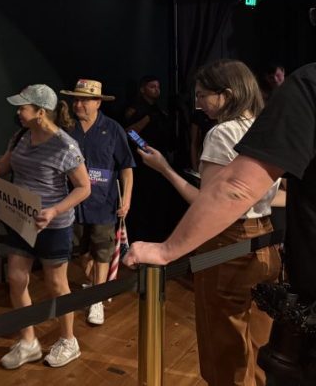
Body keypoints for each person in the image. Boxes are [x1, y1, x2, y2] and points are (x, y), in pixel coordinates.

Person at [124, 62, 316, 384]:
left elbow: (221, 195)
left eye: (203, 96)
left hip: (227, 243)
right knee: (256, 343)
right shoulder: (258, 125)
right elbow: (273, 196)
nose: (198, 105)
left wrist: (165, 171)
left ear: (226, 95)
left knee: (224, 350)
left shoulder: (221, 132)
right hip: (264, 239)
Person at [0, 84, 91, 370]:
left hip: (54, 225)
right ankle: (28, 341)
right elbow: (2, 167)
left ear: (40, 112)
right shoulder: (21, 135)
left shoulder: (65, 145)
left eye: (23, 107)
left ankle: (68, 340)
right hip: (22, 219)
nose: (18, 112)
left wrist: (55, 210)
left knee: (57, 284)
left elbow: (84, 188)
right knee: (16, 278)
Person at [60, 79, 134, 326]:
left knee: (102, 250)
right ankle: (94, 285)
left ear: (97, 103)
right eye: (76, 99)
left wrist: (128, 200)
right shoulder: (66, 129)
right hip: (72, 203)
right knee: (81, 251)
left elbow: (126, 169)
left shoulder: (113, 129)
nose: (78, 104)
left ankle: (97, 300)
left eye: (84, 100)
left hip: (104, 203)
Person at [125, 75, 181, 242]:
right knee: (143, 201)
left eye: (158, 87)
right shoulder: (136, 109)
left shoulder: (160, 110)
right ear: (143, 89)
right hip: (143, 163)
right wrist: (145, 146)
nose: (156, 90)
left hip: (161, 162)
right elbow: (129, 132)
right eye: (152, 87)